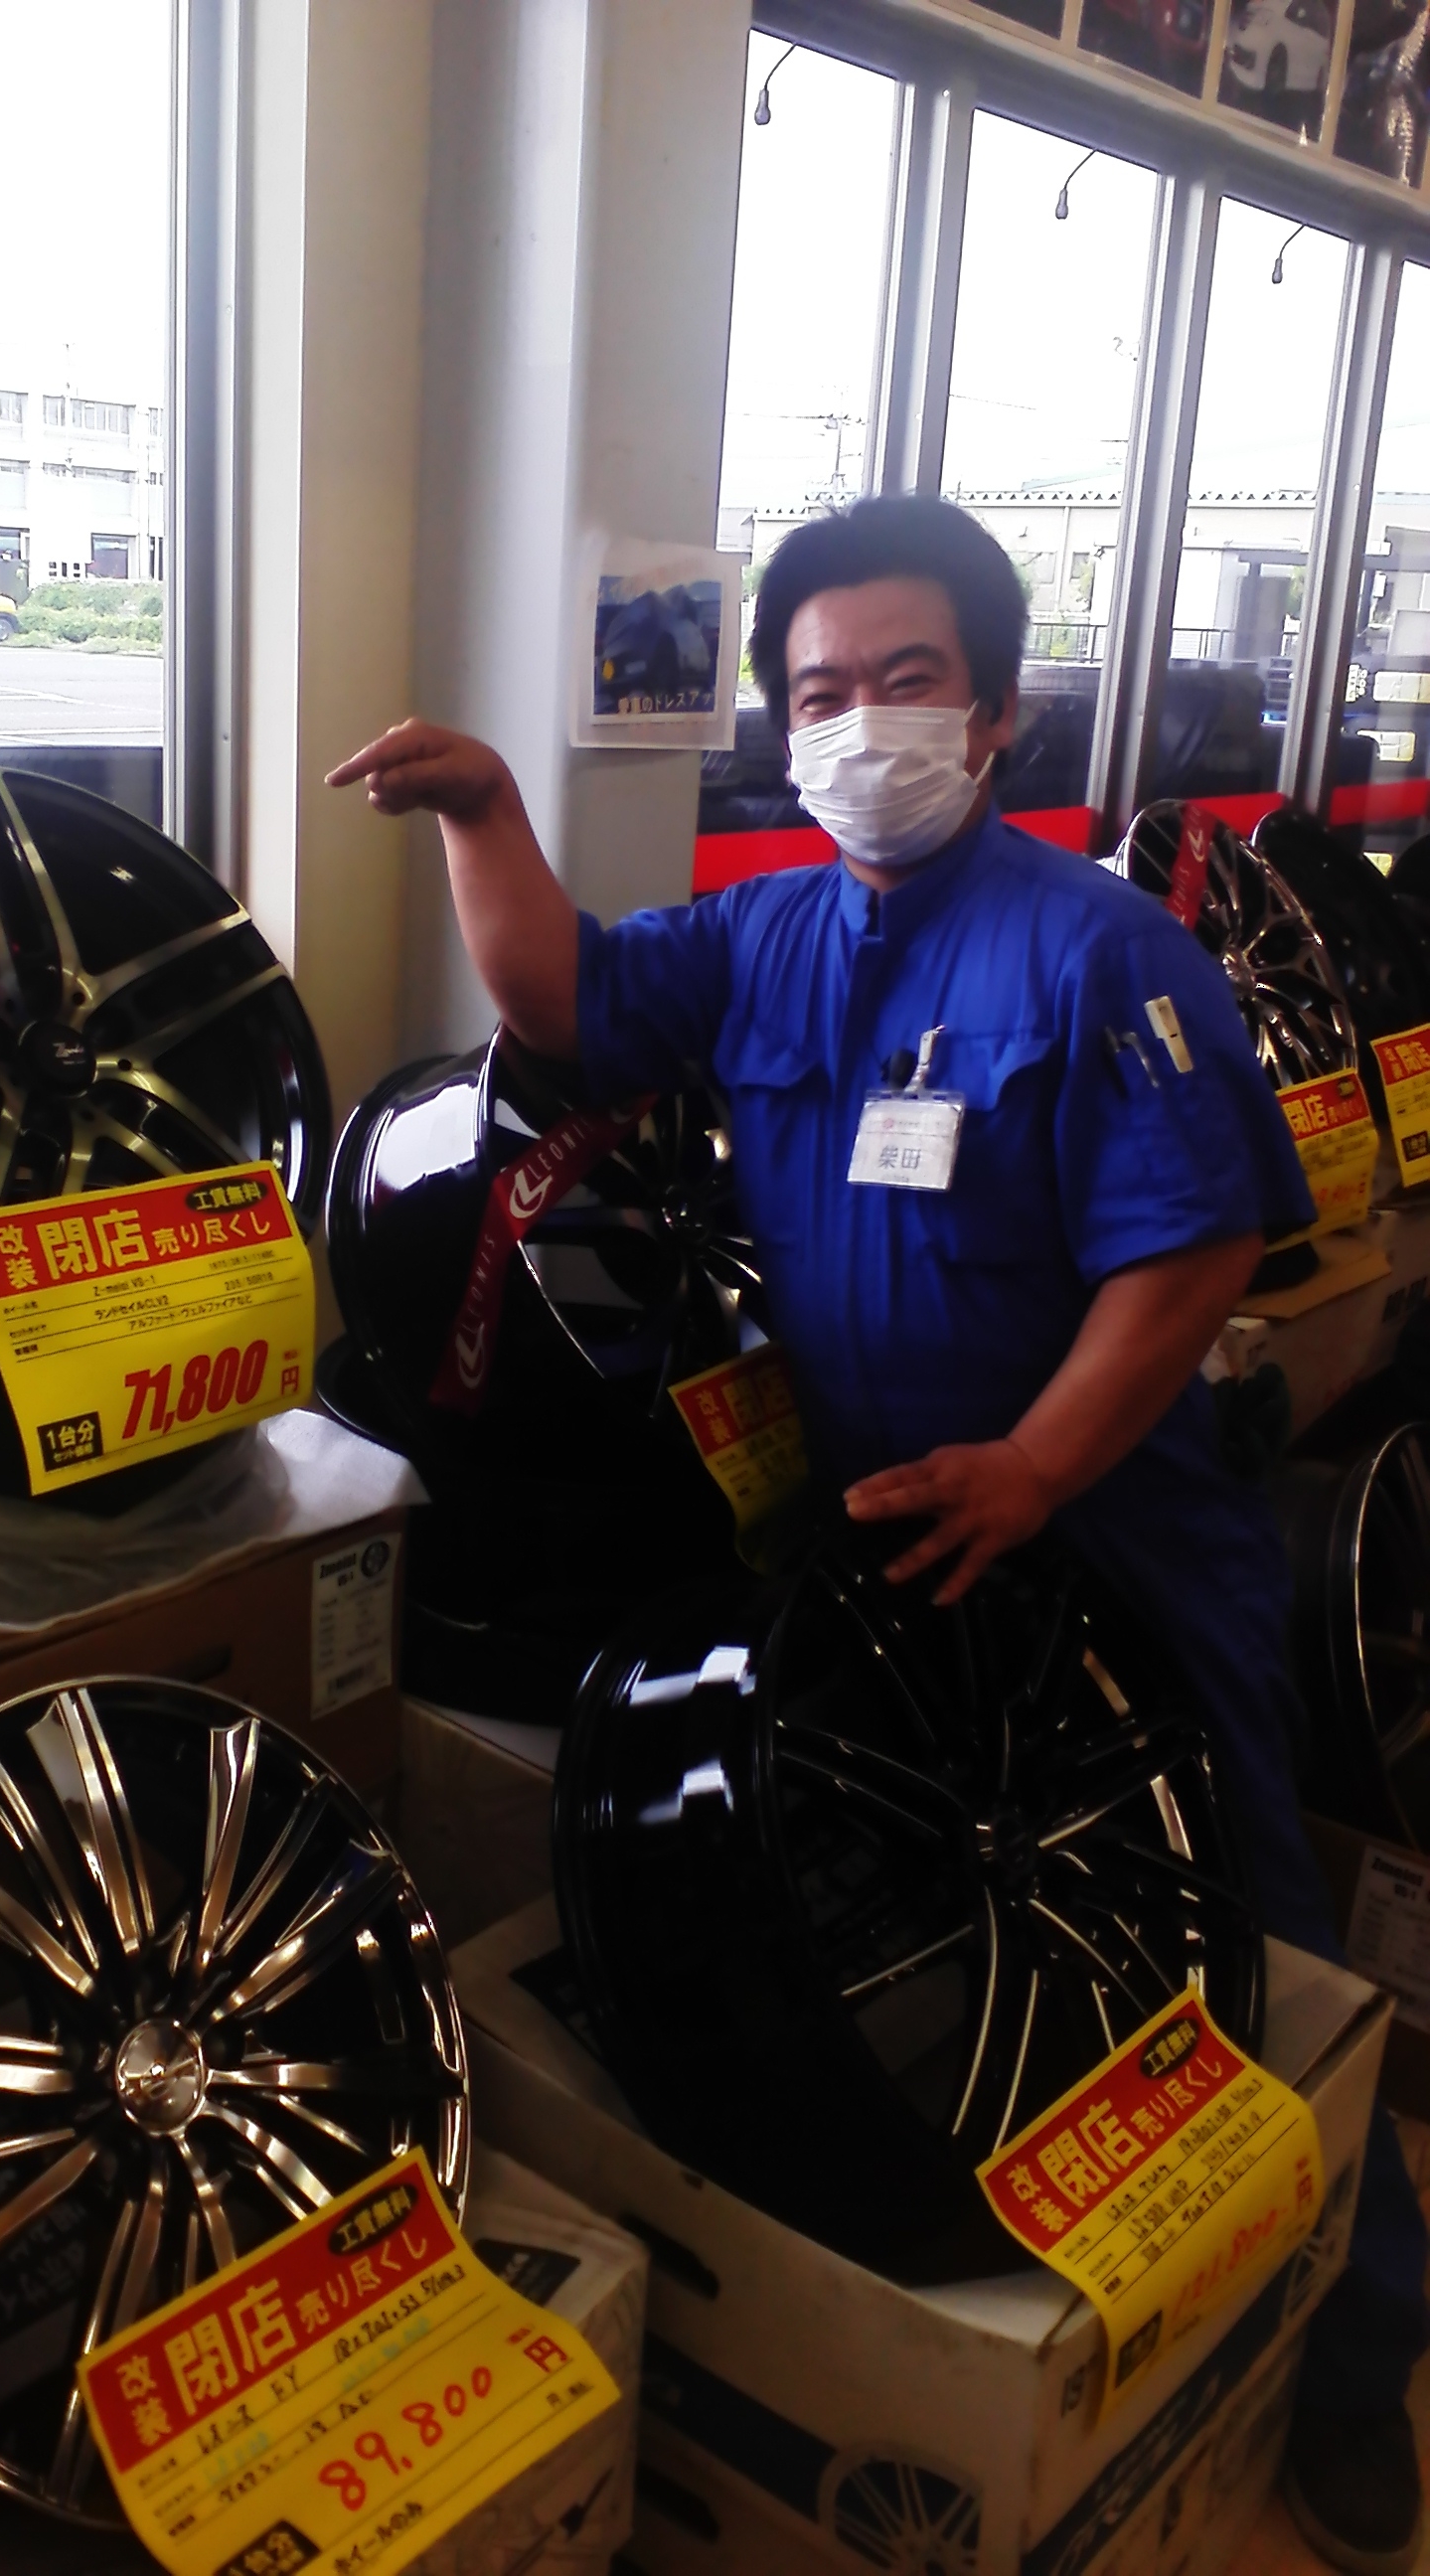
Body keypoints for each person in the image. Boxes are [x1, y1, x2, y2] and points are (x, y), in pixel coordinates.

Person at [329, 493, 1430, 2576]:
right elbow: (560, 1000)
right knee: (957, 1887)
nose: (858, 724)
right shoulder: (762, 935)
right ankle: (1057, 2284)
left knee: (1237, 1932)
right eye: (819, 690)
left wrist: (1037, 1468)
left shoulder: (1102, 951)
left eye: (905, 680)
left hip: (1109, 1528)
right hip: (880, 1537)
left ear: (994, 714)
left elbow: (1192, 1255)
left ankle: (1361, 2348)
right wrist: (483, 810)